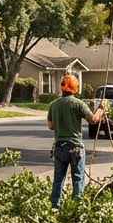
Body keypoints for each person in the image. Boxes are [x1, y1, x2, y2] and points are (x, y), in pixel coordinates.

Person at [46, 74, 106, 208]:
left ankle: (55, 207)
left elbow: (51, 126)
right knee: (78, 178)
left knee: (58, 179)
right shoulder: (78, 104)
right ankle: (76, 208)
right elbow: (93, 119)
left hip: (59, 147)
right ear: (75, 89)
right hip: (75, 147)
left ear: (62, 87)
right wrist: (101, 108)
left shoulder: (53, 105)